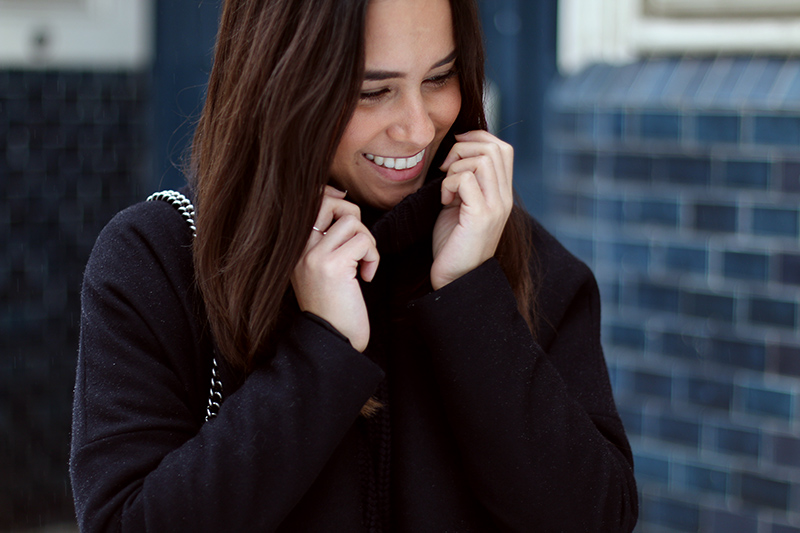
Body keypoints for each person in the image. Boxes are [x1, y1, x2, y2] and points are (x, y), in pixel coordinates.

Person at [70, 0, 638, 530]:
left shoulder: (517, 258)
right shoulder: (157, 260)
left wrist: (471, 300)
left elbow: (598, 516)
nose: (418, 128)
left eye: (439, 78)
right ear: (279, 82)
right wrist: (321, 351)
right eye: (373, 92)